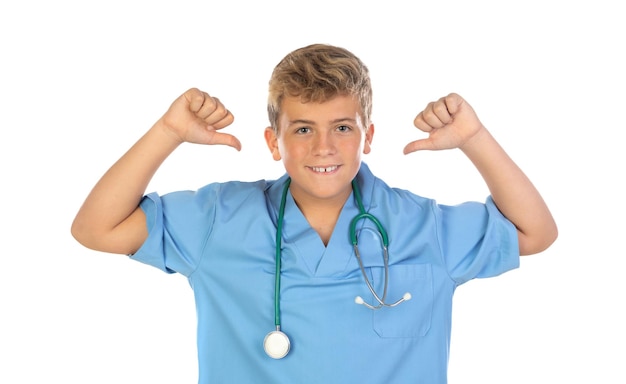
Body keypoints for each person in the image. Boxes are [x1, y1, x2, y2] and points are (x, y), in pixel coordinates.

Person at [71, 43, 557, 383]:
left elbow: (535, 232)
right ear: (273, 142)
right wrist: (168, 131)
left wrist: (474, 139)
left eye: (343, 127)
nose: (324, 146)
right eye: (302, 129)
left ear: (368, 137)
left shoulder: (422, 225)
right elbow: (95, 227)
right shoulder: (219, 219)